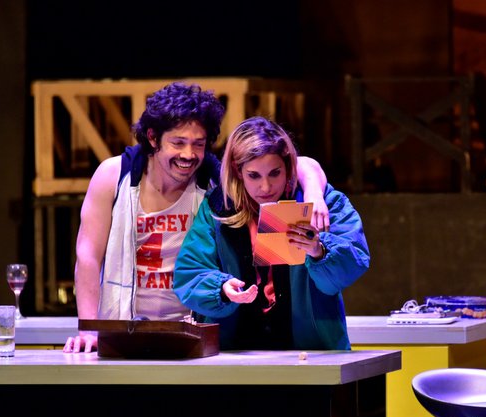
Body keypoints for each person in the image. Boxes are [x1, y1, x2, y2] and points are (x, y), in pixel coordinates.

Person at [64, 83, 330, 353]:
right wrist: (89, 329)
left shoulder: (213, 181)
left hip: (190, 334)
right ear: (153, 138)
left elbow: (296, 162)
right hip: (121, 331)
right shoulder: (115, 175)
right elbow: (87, 256)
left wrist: (313, 193)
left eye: (198, 144)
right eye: (178, 143)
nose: (189, 154)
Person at [173, 116, 370, 350]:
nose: (265, 187)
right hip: (234, 353)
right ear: (237, 170)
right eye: (254, 175)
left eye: (275, 173)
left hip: (313, 352)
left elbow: (354, 263)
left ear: (288, 166)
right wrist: (221, 289)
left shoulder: (321, 203)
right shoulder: (217, 209)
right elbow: (189, 274)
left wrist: (319, 251)